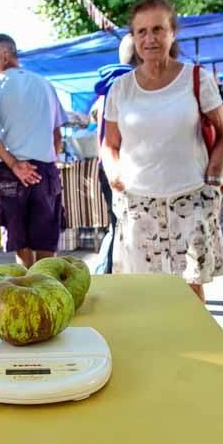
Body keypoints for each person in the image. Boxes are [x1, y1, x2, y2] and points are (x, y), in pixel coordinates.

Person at [100, 0, 223, 302]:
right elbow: (110, 144)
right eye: (141, 31)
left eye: (158, 29)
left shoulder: (196, 78)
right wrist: (115, 174)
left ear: (172, 32)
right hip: (138, 206)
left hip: (190, 202)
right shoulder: (121, 88)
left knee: (190, 293)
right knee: (144, 295)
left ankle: (198, 351)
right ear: (133, 38)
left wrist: (214, 178)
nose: (150, 38)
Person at [0, 33, 68, 268]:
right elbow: (57, 135)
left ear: (5, 56)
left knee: (21, 245)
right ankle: (48, 294)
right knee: (47, 244)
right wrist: (46, 165)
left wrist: (15, 165)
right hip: (45, 171)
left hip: (10, 172)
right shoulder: (45, 84)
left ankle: (27, 294)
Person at [92, 33, 136, 275]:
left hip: (107, 164)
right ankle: (105, 275)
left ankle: (104, 274)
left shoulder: (105, 88)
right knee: (125, 228)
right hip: (127, 165)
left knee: (117, 226)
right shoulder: (131, 84)